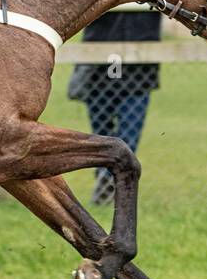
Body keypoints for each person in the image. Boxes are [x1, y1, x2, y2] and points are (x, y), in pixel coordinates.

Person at [67, 11, 162, 206]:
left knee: (129, 137)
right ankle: (107, 179)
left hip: (139, 72)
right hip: (99, 68)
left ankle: (111, 182)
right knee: (102, 136)